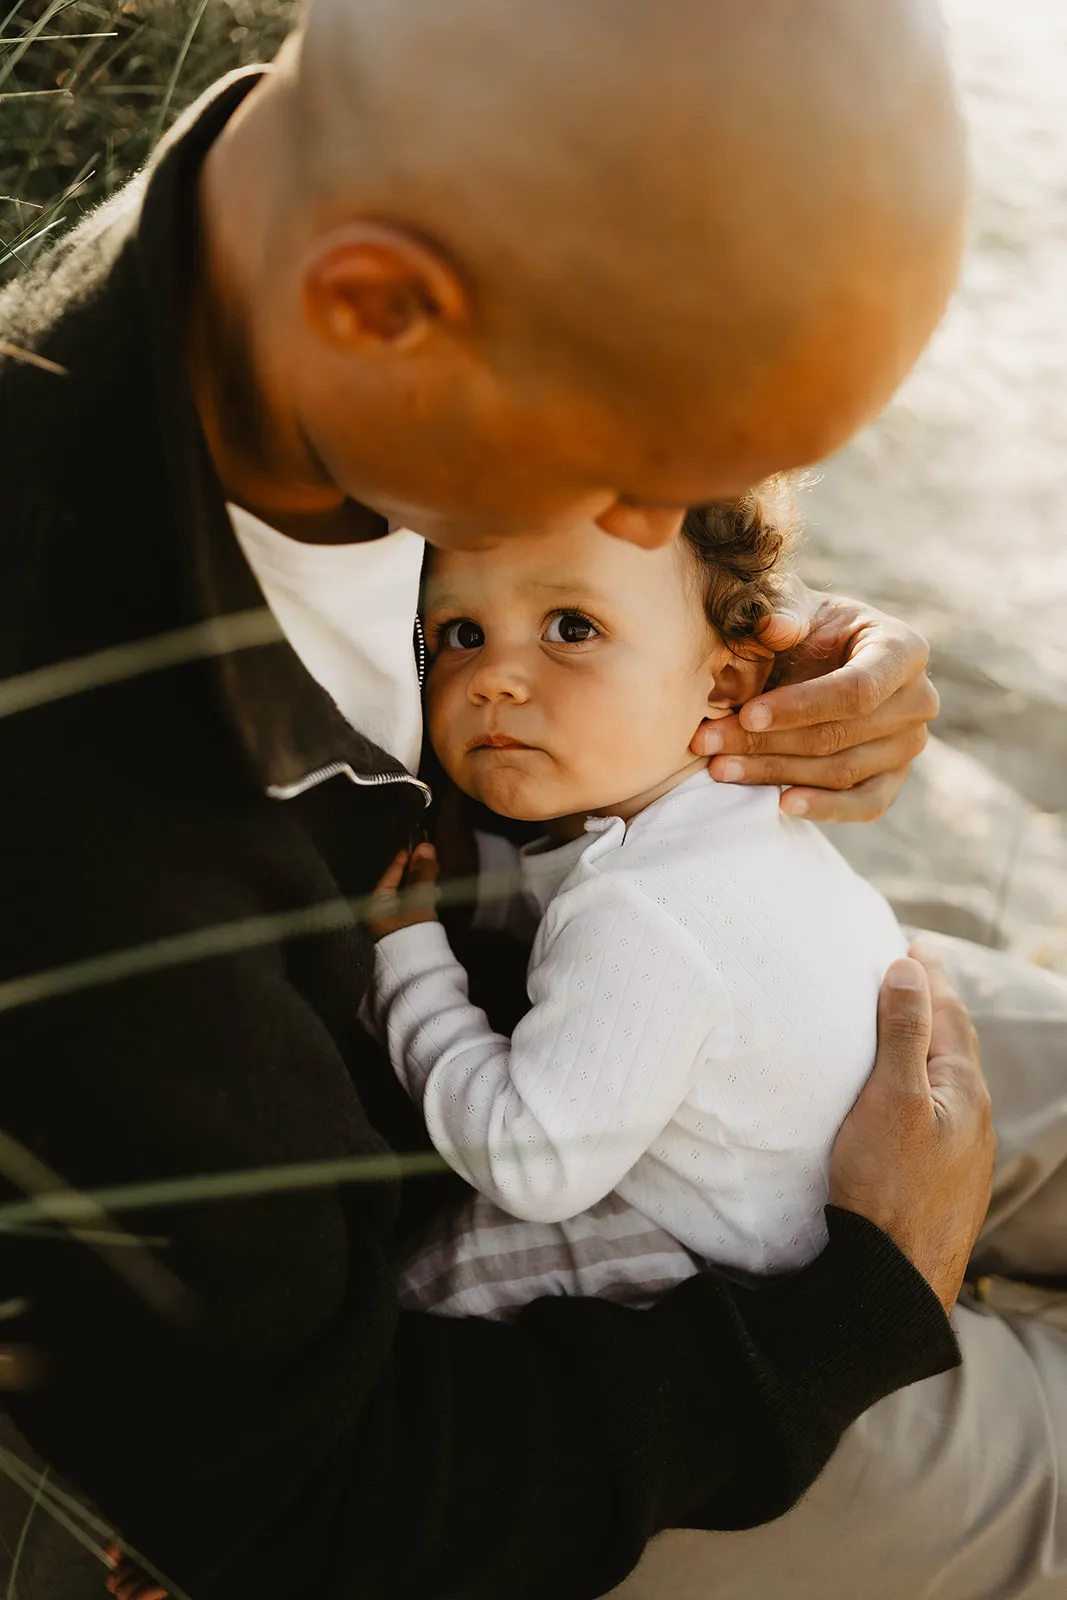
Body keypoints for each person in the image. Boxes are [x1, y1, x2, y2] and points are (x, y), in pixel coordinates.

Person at [0, 2, 998, 1597]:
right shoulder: (75, 831)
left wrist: (743, 651)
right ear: (381, 309)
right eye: (643, 469)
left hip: (637, 951)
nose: (663, 518)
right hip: (566, 1341)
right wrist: (860, 1307)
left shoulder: (342, 321)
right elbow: (312, 1503)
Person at [365, 492, 910, 1318]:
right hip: (826, 1163)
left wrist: (405, 961)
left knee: (441, 1277)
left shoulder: (641, 910)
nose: (493, 678)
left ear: (724, 680)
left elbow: (532, 1164)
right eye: (460, 635)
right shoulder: (739, 813)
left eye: (572, 628)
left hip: (734, 1256)